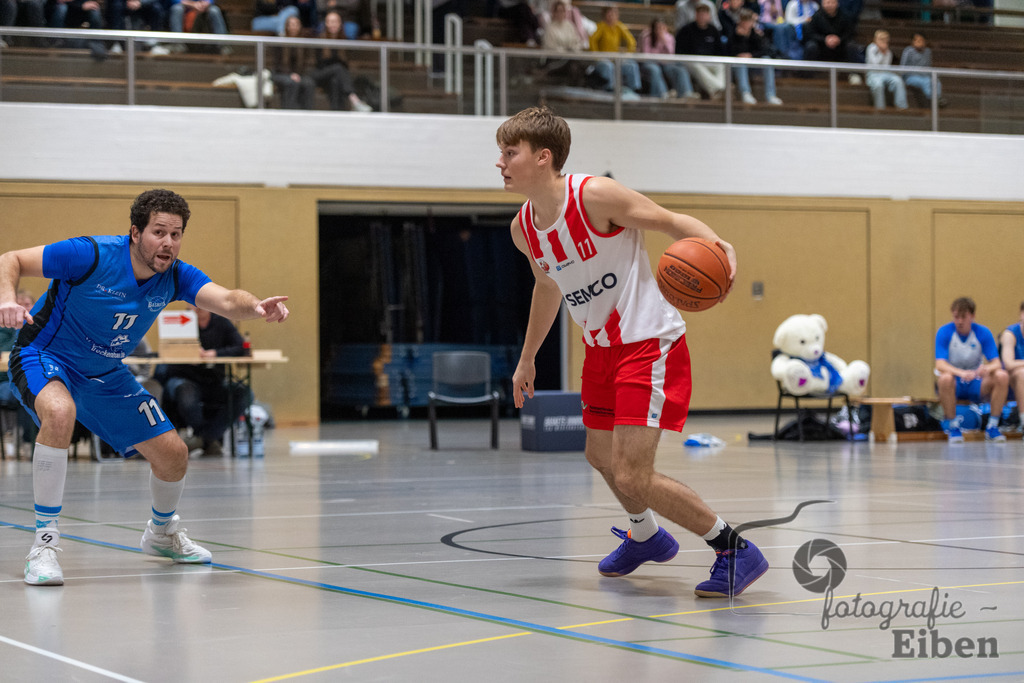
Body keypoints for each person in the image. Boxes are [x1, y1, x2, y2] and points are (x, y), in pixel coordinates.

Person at [495, 106, 769, 598]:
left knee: (630, 472)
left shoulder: (594, 196)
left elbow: (668, 221)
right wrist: (527, 358)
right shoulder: (524, 229)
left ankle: (734, 548)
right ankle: (645, 536)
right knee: (599, 454)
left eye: (509, 152)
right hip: (600, 349)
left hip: (648, 343)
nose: (500, 162)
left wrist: (718, 248)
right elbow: (546, 289)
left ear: (543, 157)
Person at [0, 188, 290, 586]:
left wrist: (256, 307)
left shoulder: (175, 276)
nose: (168, 242)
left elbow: (224, 298)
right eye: (159, 232)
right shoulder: (91, 254)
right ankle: (44, 545)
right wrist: (7, 298)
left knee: (174, 455)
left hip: (104, 372)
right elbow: (10, 258)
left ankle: (161, 534)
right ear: (135, 233)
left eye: (176, 234)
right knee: (60, 412)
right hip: (45, 356)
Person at [156, 305, 250, 457]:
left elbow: (241, 347)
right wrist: (188, 353)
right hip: (184, 378)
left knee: (244, 393)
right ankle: (208, 439)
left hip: (214, 380)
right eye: (192, 303)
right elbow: (167, 350)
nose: (196, 308)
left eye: (201, 304)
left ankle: (205, 438)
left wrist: (215, 353)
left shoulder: (221, 322)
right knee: (187, 395)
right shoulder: (180, 321)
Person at [934, 297, 1008, 443]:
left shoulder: (982, 333)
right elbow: (940, 364)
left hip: (976, 382)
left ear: (972, 316)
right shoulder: (944, 332)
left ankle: (992, 426)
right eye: (956, 317)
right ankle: (953, 427)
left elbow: (996, 363)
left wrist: (985, 368)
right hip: (955, 382)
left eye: (963, 317)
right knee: (945, 378)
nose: (959, 321)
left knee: (1001, 376)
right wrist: (961, 373)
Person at [311, 8, 373, 111]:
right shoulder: (319, 39)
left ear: (340, 23)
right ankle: (354, 100)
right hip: (320, 74)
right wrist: (336, 64)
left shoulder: (345, 41)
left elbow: (345, 65)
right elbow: (321, 63)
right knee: (338, 68)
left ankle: (337, 112)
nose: (333, 24)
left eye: (335, 21)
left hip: (335, 76)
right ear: (326, 23)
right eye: (330, 22)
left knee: (335, 81)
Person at [726, 9, 783, 105]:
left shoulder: (755, 34)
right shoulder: (733, 34)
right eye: (744, 20)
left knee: (767, 60)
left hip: (753, 64)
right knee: (740, 61)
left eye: (748, 21)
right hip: (736, 66)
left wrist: (751, 55)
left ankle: (770, 95)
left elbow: (766, 50)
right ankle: (745, 93)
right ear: (739, 21)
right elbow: (730, 51)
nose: (746, 24)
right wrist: (741, 37)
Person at [640, 16, 700, 100]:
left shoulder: (669, 37)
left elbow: (671, 54)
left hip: (666, 63)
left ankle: (686, 93)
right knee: (655, 69)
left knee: (680, 70)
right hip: (651, 63)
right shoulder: (647, 36)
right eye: (657, 28)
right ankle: (663, 94)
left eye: (662, 27)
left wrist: (663, 40)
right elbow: (646, 54)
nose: (659, 30)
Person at [803, 0, 863, 83]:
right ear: (822, 4)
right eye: (827, 2)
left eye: (832, 2)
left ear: (837, 3)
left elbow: (850, 32)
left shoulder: (845, 16)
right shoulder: (816, 16)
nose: (829, 5)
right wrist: (825, 39)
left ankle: (854, 74)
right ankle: (807, 75)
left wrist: (839, 39)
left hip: (840, 47)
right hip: (822, 47)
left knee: (852, 46)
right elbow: (811, 34)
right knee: (811, 46)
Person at [588, 5, 643, 94]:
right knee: (608, 66)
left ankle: (635, 89)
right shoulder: (601, 26)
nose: (612, 16)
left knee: (631, 65)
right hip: (603, 58)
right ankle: (610, 88)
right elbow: (592, 41)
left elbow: (631, 41)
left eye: (614, 14)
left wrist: (627, 54)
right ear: (604, 15)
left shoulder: (619, 26)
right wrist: (596, 56)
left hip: (616, 58)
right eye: (609, 14)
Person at [675, 3, 726, 99]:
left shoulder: (713, 30)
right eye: (700, 14)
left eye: (704, 14)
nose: (702, 17)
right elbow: (680, 50)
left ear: (709, 16)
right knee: (696, 66)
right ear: (696, 15)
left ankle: (717, 90)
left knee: (721, 65)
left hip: (710, 61)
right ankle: (719, 89)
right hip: (692, 61)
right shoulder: (686, 30)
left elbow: (720, 51)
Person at [271, 14, 316, 109]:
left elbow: (306, 63)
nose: (294, 27)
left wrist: (298, 74)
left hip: (299, 74)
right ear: (286, 26)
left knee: (309, 83)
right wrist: (290, 74)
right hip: (281, 74)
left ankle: (307, 112)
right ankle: (289, 111)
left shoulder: (304, 43)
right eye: (291, 24)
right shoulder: (279, 43)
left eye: (296, 24)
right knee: (292, 82)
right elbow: (277, 65)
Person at [900, 32, 946, 108]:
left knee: (936, 81)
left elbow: (928, 66)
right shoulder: (908, 51)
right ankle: (934, 100)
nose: (919, 42)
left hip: (925, 76)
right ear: (912, 42)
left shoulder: (928, 51)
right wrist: (902, 79)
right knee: (926, 82)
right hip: (911, 76)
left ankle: (938, 98)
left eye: (921, 40)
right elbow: (903, 66)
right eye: (916, 40)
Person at [166, 0, 231, 54]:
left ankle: (222, 44)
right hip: (185, 6)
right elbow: (175, 1)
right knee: (176, 9)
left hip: (203, 7)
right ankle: (177, 44)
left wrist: (205, 3)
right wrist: (193, 4)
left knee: (215, 10)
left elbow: (210, 1)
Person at [864, 29, 906, 110]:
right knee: (878, 85)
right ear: (876, 39)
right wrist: (881, 52)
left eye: (885, 40)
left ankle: (901, 107)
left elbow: (886, 66)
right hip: (873, 74)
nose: (883, 42)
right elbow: (875, 65)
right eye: (881, 39)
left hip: (885, 73)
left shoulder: (888, 51)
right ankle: (880, 108)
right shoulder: (871, 48)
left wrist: (884, 52)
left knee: (898, 80)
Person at [999, 301, 1024, 432]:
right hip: (1010, 381)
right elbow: (1009, 364)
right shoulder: (1010, 334)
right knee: (1022, 373)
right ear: (1021, 314)